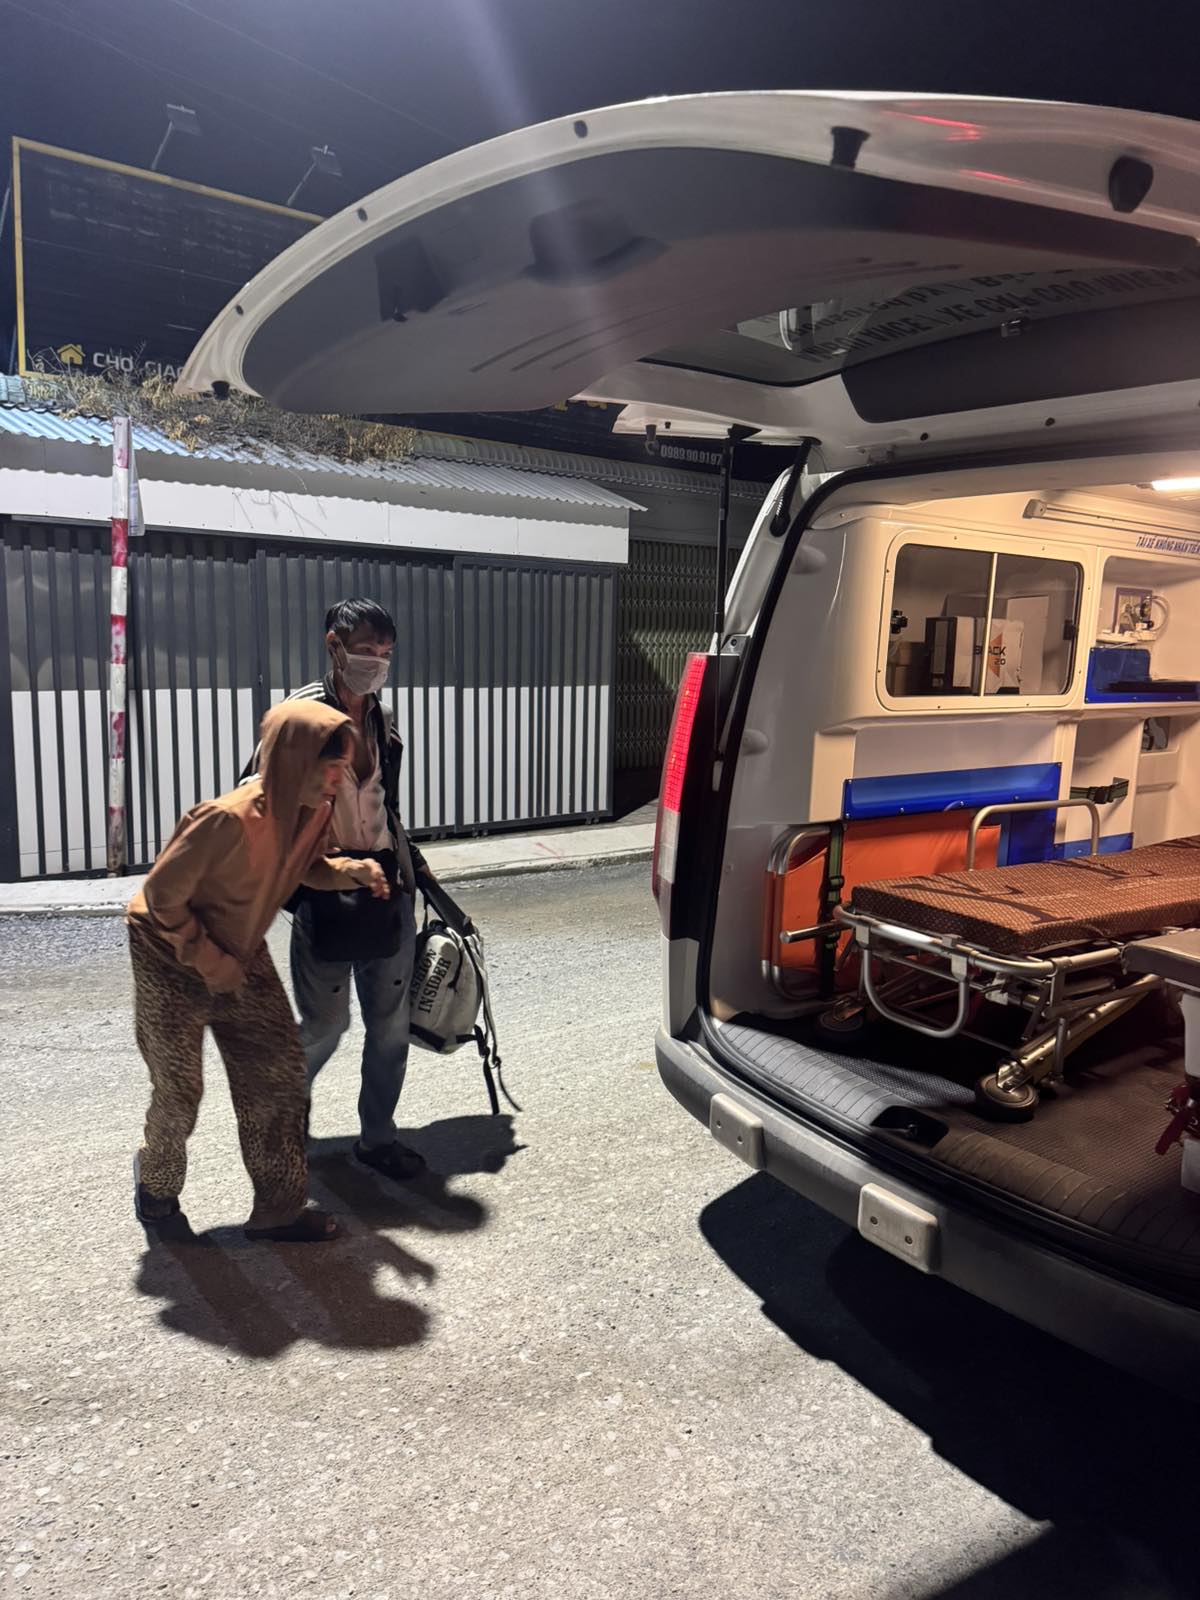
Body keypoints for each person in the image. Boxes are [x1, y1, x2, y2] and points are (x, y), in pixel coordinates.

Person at [127, 698, 390, 1242]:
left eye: (343, 769)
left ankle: (279, 1210)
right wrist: (210, 962)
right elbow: (161, 899)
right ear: (294, 762)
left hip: (240, 948)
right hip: (167, 953)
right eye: (330, 768)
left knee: (278, 1077)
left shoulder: (313, 811)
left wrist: (353, 870)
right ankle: (156, 1187)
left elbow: (309, 868)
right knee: (180, 1090)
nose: (338, 781)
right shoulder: (225, 819)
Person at [247, 598, 429, 1181]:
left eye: (386, 653)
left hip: (385, 885)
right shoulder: (299, 717)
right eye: (366, 650)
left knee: (391, 1027)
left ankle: (377, 1139)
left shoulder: (383, 718)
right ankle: (278, 1129)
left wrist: (412, 870)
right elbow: (255, 801)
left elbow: (385, 802)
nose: (377, 663)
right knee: (326, 1025)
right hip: (323, 888)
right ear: (334, 646)